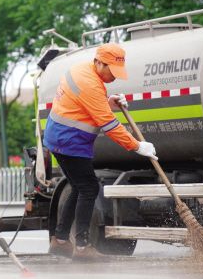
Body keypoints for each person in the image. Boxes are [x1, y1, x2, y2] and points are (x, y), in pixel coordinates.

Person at [43, 43, 157, 260]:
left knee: (79, 187)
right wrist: (137, 146)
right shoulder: (90, 83)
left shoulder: (82, 71)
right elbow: (109, 125)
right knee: (89, 188)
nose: (114, 77)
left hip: (61, 138)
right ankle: (83, 248)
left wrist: (108, 102)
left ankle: (60, 240)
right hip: (69, 142)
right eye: (112, 71)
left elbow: (84, 105)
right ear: (98, 62)